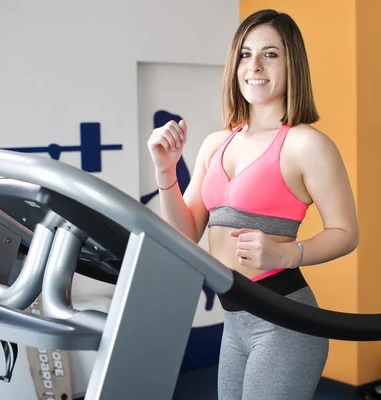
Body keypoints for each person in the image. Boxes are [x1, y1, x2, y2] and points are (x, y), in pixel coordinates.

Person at [146, 8, 359, 400]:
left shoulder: (306, 144)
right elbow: (186, 232)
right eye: (245, 54)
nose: (254, 65)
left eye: (270, 54)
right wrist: (166, 173)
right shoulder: (216, 143)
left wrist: (287, 254)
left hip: (285, 322)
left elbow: (347, 233)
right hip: (236, 320)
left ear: (291, 62)